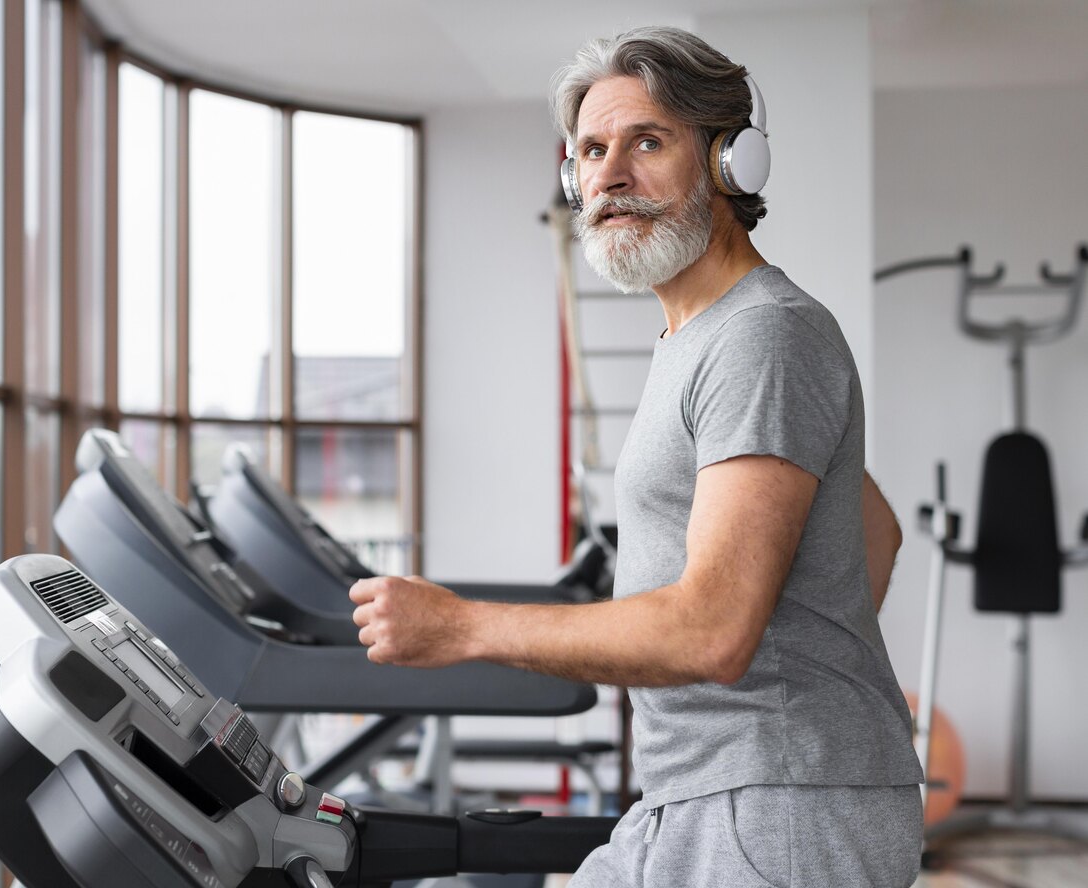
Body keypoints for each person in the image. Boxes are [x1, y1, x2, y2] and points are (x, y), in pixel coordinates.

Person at [349, 26, 925, 888]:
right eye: (590, 150)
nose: (608, 176)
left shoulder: (763, 335)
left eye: (646, 142)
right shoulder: (701, 339)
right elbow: (870, 531)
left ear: (732, 162)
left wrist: (459, 626)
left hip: (775, 808)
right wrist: (797, 668)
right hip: (714, 795)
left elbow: (714, 631)